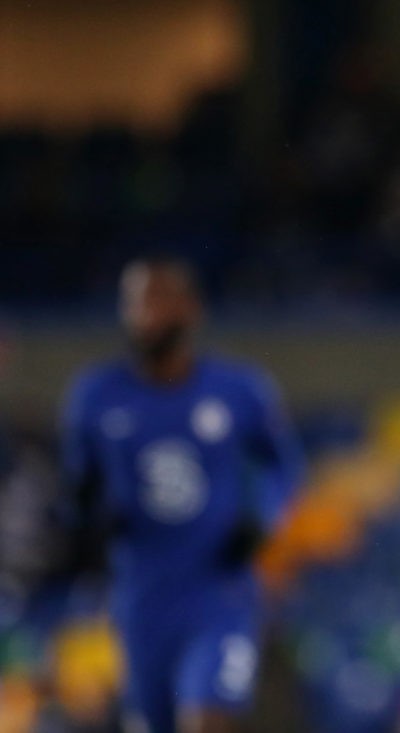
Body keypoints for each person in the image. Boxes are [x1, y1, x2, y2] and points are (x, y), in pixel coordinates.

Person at [59, 257, 304, 733]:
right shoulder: (95, 396)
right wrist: (84, 519)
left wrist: (262, 518)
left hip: (219, 590)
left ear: (190, 309)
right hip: (141, 598)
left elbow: (283, 464)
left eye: (158, 298)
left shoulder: (239, 390)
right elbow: (77, 491)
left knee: (206, 718)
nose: (146, 312)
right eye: (135, 300)